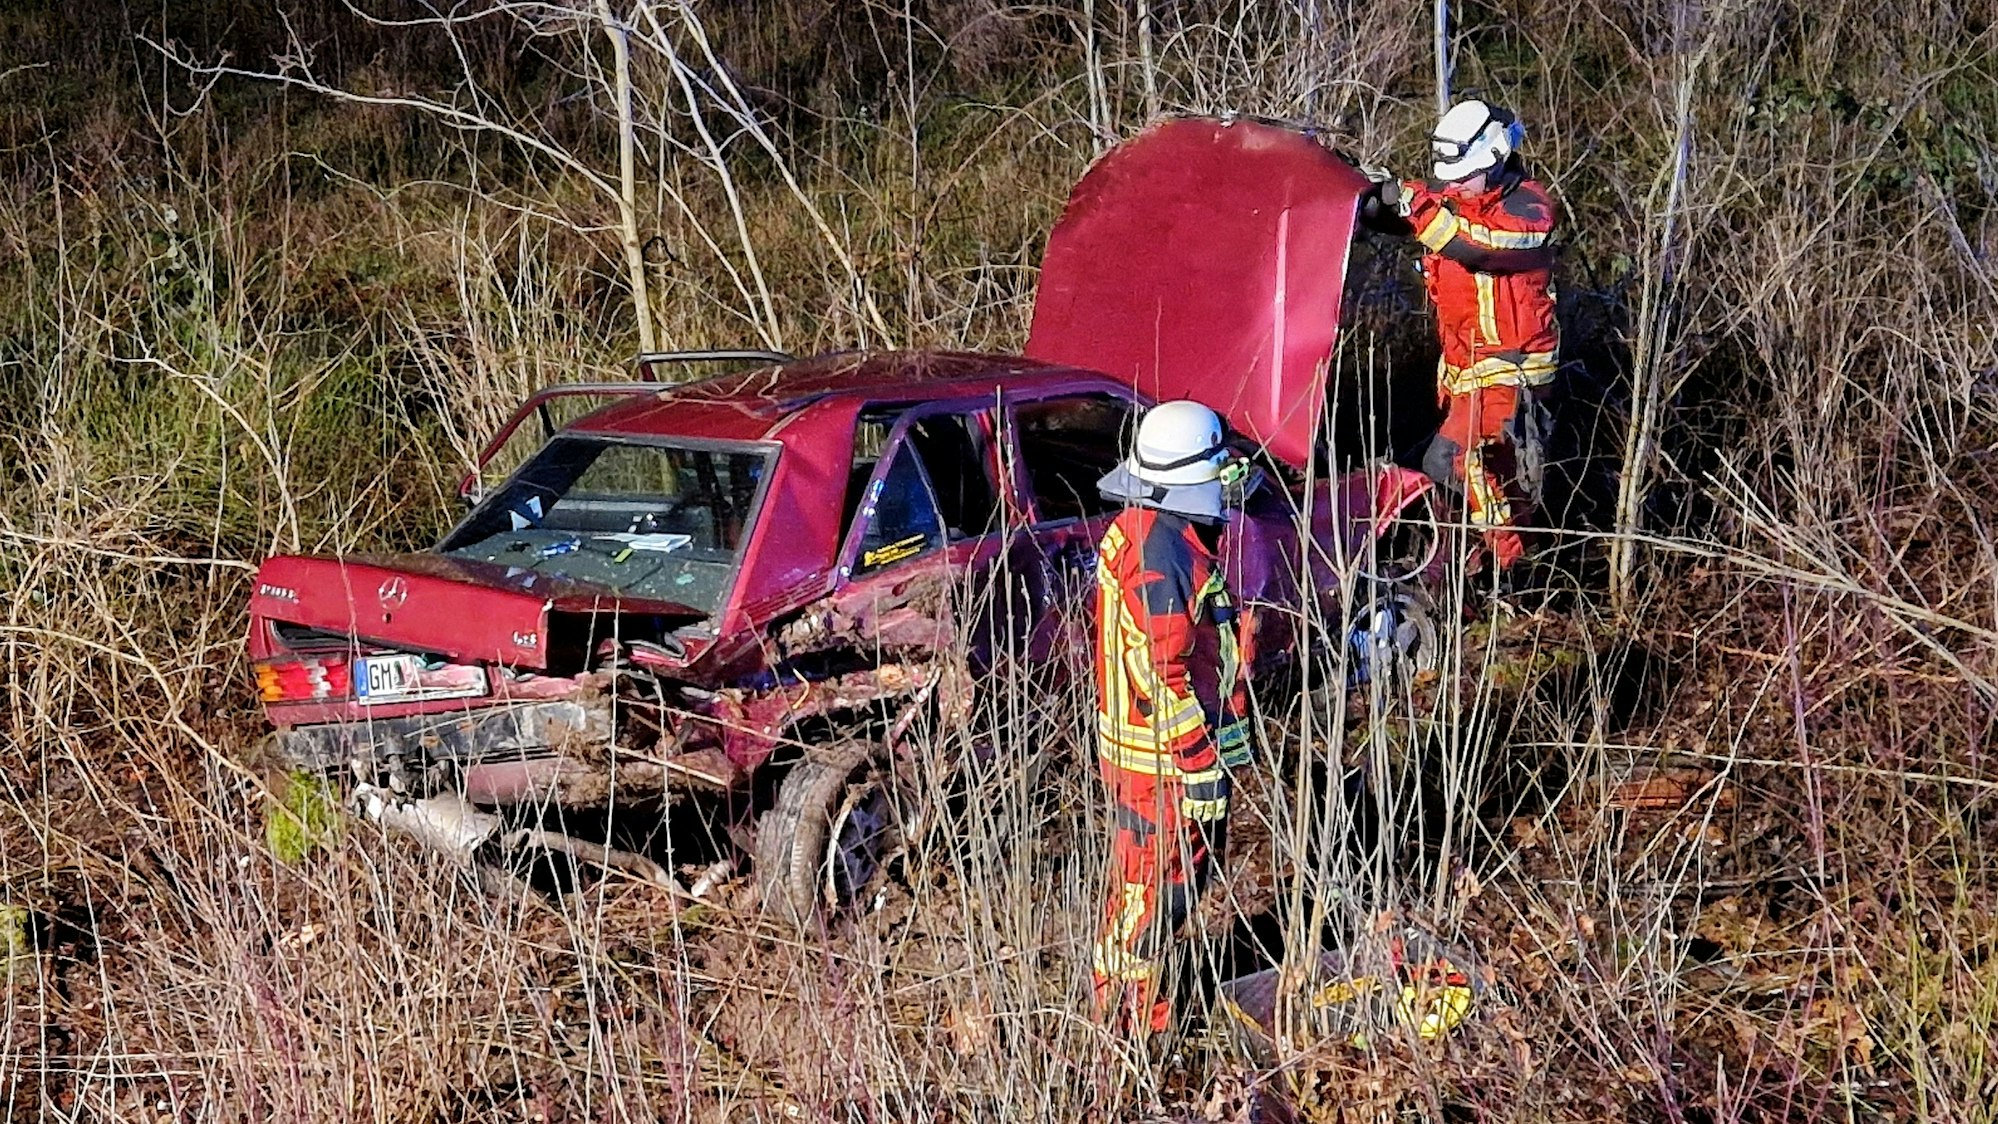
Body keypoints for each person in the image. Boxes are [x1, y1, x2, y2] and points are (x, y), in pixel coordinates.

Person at [1089, 399, 1252, 1035]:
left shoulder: (1145, 526)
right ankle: (1132, 1035)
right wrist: (1202, 764)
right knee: (1153, 896)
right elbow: (1163, 672)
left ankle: (1137, 1013)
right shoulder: (1164, 553)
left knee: (1164, 887)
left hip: (1153, 756)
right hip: (1159, 766)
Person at [1366, 99, 1560, 576]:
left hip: (1513, 371)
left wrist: (1416, 204)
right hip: (1465, 372)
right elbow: (1394, 215)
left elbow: (1473, 244)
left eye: (1463, 175)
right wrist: (1373, 194)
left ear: (1494, 161)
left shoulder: (1529, 210)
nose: (1451, 185)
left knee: (1464, 463)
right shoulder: (1454, 198)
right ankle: (1464, 570)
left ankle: (1512, 574)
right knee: (1465, 473)